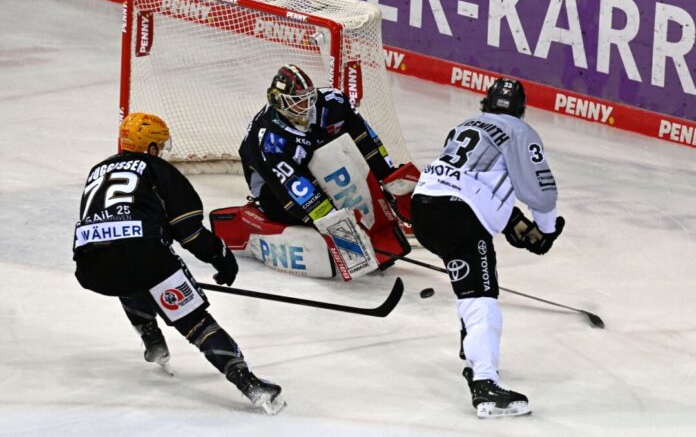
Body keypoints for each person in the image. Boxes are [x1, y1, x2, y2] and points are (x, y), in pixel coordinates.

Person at [72, 113, 285, 415]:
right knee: (194, 320)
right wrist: (220, 256)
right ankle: (249, 384)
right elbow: (190, 232)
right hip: (145, 256)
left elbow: (109, 225)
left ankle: (152, 339)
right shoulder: (159, 169)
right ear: (152, 148)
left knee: (123, 268)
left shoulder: (97, 170)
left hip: (89, 262)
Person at [410, 78, 564, 418]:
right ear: (522, 109)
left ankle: (473, 352)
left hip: (424, 210)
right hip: (459, 216)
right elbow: (540, 192)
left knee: (471, 288)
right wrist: (547, 230)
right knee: (481, 297)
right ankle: (485, 386)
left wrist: (512, 222)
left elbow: (475, 182)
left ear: (485, 104)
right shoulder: (520, 132)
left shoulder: (465, 126)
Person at [239, 63, 410, 227]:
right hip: (270, 185)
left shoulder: (333, 102)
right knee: (285, 208)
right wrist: (331, 220)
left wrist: (389, 178)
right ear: (279, 101)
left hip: (312, 165)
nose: (307, 106)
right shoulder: (270, 138)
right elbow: (293, 186)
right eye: (299, 101)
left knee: (338, 153)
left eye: (309, 98)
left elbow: (366, 139)